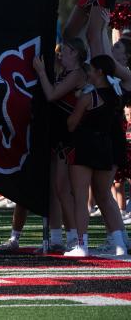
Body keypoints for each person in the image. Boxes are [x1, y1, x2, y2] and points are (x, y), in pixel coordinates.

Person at [64, 55, 128, 257]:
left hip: (85, 146)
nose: (88, 73)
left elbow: (71, 124)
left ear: (99, 72)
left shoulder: (88, 97)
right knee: (104, 196)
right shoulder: (116, 95)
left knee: (81, 198)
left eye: (90, 69)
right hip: (106, 148)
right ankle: (119, 243)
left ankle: (81, 245)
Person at [33, 39, 89, 250]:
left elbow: (52, 95)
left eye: (64, 50)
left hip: (70, 138)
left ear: (75, 53)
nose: (60, 54)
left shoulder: (77, 74)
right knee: (56, 190)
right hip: (59, 136)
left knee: (63, 190)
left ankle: (74, 237)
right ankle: (57, 238)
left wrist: (40, 72)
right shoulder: (65, 72)